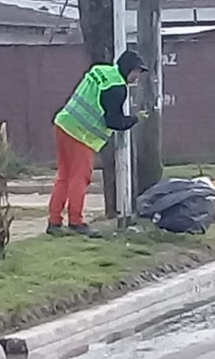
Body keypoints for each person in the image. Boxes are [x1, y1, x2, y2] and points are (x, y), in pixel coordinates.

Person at [47, 50, 148, 237]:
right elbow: (113, 121)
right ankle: (76, 222)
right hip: (81, 134)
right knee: (80, 177)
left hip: (63, 123)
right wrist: (135, 119)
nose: (137, 77)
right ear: (128, 69)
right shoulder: (117, 88)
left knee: (64, 176)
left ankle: (54, 221)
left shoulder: (100, 70)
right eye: (136, 72)